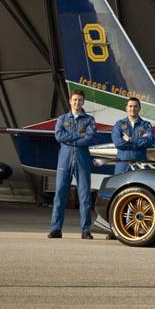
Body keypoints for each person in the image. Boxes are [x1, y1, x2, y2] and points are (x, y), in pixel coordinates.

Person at [48, 89, 98, 239]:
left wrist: (70, 138)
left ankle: (85, 230)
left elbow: (90, 137)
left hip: (82, 157)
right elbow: (58, 136)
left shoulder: (89, 120)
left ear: (83, 102)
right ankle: (56, 229)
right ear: (70, 101)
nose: (77, 102)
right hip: (65, 158)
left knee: (84, 195)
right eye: (75, 100)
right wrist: (78, 135)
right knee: (60, 194)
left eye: (80, 100)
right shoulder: (62, 119)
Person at [111, 97, 155, 174]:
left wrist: (130, 140)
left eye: (135, 106)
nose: (133, 109)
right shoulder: (119, 124)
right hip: (123, 165)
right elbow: (118, 143)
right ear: (126, 108)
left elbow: (149, 141)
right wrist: (138, 144)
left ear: (139, 108)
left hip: (140, 165)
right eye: (130, 106)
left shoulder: (145, 125)